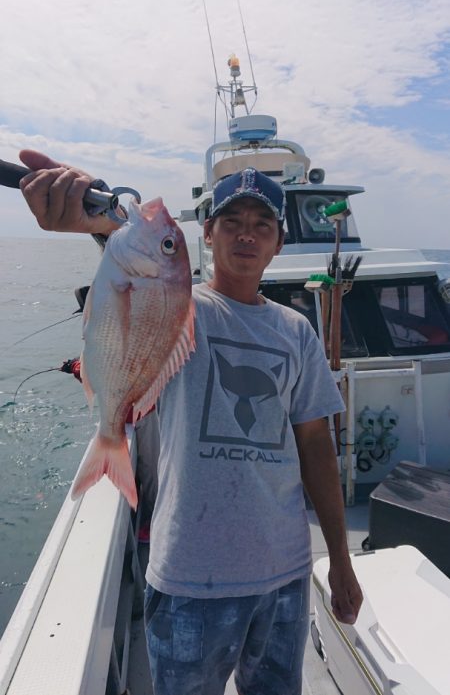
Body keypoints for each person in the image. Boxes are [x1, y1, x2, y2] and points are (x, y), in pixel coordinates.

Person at [19, 150, 363, 695]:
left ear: (277, 243)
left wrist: (339, 562)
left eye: (261, 226)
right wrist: (96, 221)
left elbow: (316, 445)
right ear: (209, 232)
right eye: (232, 222)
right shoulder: (182, 305)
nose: (246, 235)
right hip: (187, 579)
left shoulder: (297, 331)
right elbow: (135, 278)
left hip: (286, 574)